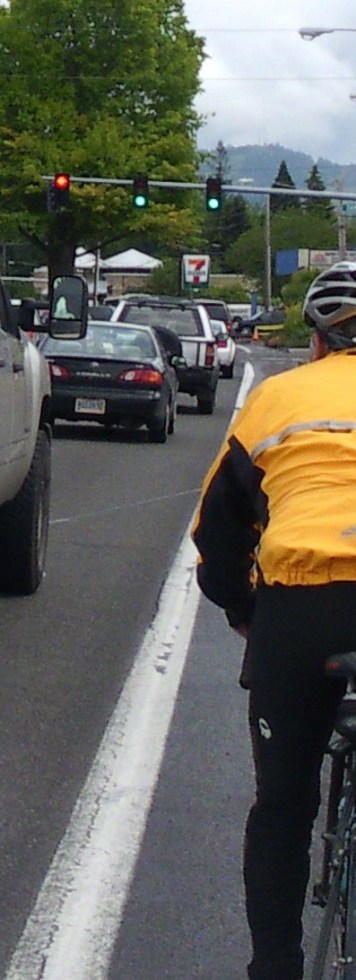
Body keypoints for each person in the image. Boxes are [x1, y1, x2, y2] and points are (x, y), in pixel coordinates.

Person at [191, 261, 356, 980]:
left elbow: (217, 532)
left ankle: (277, 968)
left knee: (284, 805)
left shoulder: (279, 398)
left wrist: (243, 609)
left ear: (316, 341)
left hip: (304, 606)